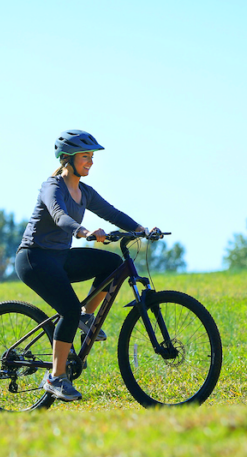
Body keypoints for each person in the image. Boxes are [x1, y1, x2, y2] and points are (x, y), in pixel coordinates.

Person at [15, 129, 152, 402]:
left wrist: (140, 229)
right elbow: (58, 215)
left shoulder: (85, 192)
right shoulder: (52, 186)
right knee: (67, 309)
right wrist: (83, 231)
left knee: (113, 264)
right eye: (85, 157)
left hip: (60, 258)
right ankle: (55, 377)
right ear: (68, 159)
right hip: (34, 258)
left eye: (92, 157)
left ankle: (85, 317)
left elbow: (111, 212)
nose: (91, 162)